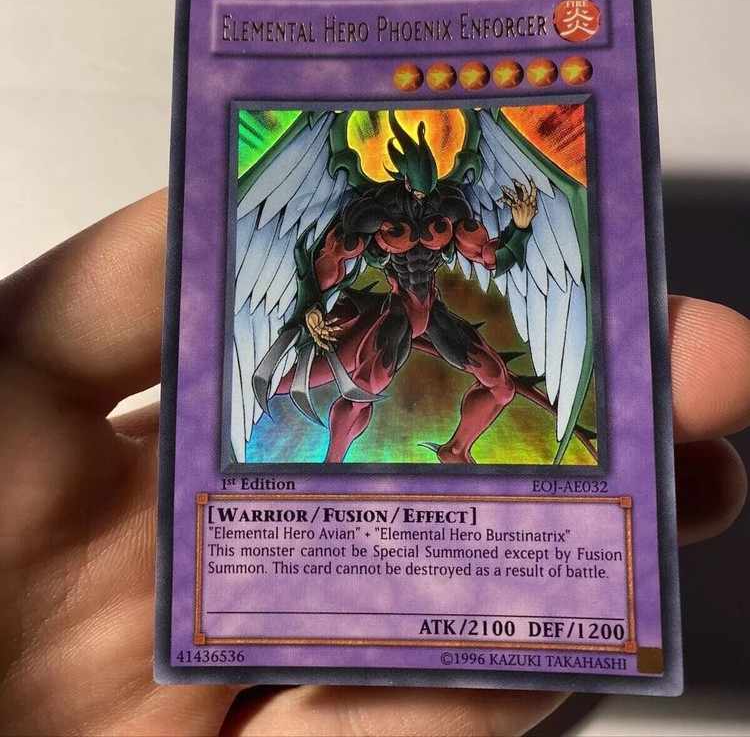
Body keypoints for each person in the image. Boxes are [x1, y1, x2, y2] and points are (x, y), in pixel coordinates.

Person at [1, 190, 747, 737]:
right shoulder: (364, 235)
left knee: (495, 380)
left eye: (430, 224)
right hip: (388, 321)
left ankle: (456, 448)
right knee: (357, 387)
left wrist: (520, 228)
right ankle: (329, 467)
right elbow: (320, 273)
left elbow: (496, 258)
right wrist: (313, 309)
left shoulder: (452, 227)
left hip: (434, 318)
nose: (418, 233)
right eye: (400, 226)